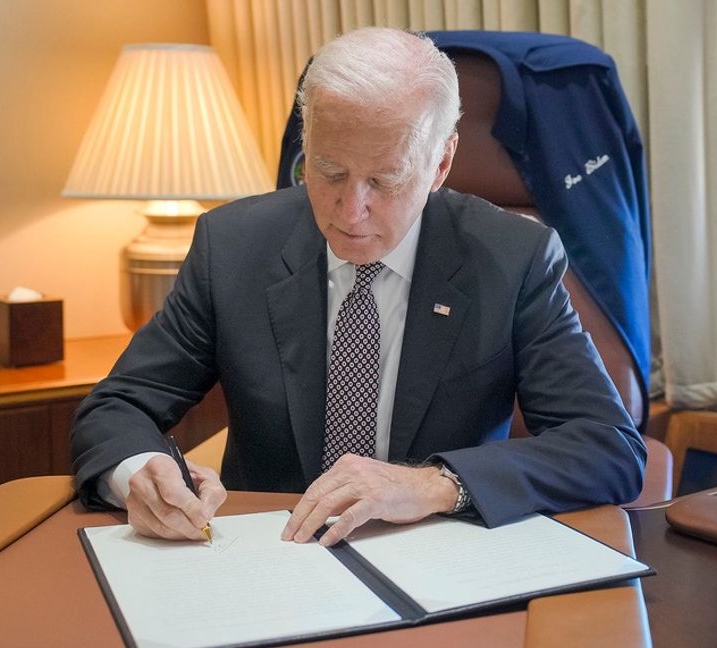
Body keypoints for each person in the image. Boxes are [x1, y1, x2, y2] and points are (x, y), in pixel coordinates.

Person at [70, 27, 647, 547]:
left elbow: (606, 448)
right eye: (330, 171)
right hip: (265, 558)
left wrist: (436, 484)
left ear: (441, 163)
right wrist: (141, 471)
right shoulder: (233, 246)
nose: (352, 211)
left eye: (385, 178)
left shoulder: (513, 257)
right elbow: (117, 404)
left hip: (436, 559)